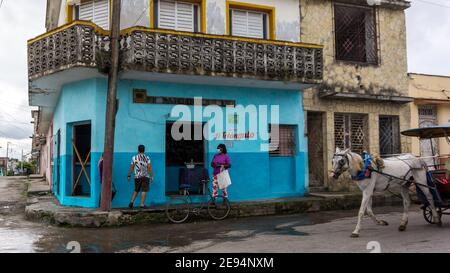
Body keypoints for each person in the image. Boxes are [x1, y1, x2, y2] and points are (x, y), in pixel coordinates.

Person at [127, 145, 154, 209]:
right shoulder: (147, 157)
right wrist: (152, 176)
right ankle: (142, 204)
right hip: (145, 176)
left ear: (138, 150)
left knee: (136, 189)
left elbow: (132, 167)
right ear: (144, 150)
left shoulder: (134, 157)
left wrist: (129, 175)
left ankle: (131, 202)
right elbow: (149, 167)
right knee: (144, 190)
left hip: (137, 176)